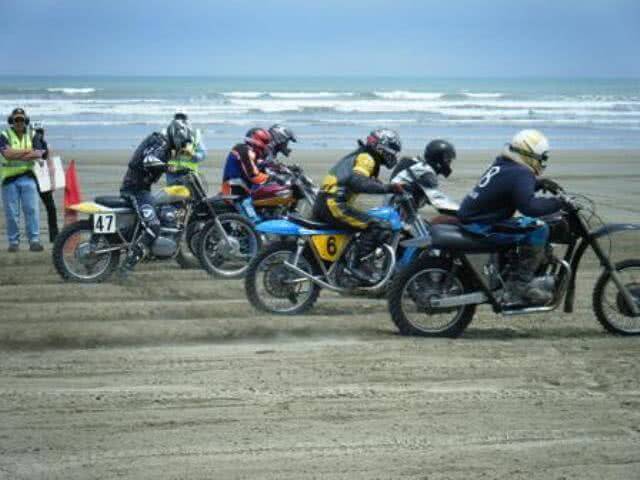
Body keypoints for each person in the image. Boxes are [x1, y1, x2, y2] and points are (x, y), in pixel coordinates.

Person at [457, 129, 564, 304]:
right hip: (483, 225)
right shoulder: (522, 172)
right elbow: (528, 206)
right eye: (542, 157)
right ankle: (519, 287)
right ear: (531, 154)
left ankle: (512, 271)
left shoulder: (504, 164)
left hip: (474, 219)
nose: (543, 162)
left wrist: (537, 184)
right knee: (539, 228)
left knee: (525, 226)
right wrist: (558, 204)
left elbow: (510, 187)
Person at [312, 129, 404, 283]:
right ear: (382, 146)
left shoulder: (361, 155)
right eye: (393, 149)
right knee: (377, 226)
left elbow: (363, 180)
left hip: (326, 202)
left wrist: (383, 186)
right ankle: (358, 265)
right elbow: (358, 181)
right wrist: (388, 188)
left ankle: (347, 263)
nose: (394, 154)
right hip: (334, 204)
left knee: (362, 224)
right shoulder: (367, 158)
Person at [118, 117, 195, 277]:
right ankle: (127, 266)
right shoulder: (162, 143)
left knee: (154, 213)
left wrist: (180, 169)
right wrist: (169, 167)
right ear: (177, 136)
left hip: (140, 188)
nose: (181, 147)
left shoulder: (160, 141)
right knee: (153, 226)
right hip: (135, 190)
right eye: (181, 143)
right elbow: (149, 160)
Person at [0, 108, 45, 252]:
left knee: (32, 210)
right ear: (11, 121)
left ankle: (34, 241)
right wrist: (27, 151)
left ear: (25, 120)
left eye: (21, 119)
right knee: (12, 213)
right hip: (9, 179)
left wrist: (15, 153)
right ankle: (14, 243)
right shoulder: (4, 134)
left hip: (28, 177)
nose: (19, 122)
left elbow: (38, 153)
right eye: (16, 120)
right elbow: (7, 154)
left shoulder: (33, 134)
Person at [389, 139, 458, 214]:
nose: (449, 163)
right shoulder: (426, 173)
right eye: (448, 160)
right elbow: (438, 201)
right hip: (399, 213)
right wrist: (460, 211)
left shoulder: (414, 164)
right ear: (440, 160)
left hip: (391, 207)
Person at [221, 128, 272, 196]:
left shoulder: (251, 152)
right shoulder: (243, 150)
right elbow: (253, 176)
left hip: (244, 190)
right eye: (264, 142)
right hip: (233, 193)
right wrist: (271, 178)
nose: (265, 147)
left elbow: (260, 165)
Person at [32, 123, 59, 243]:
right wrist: (53, 182)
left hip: (38, 177)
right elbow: (50, 165)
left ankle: (53, 236)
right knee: (50, 208)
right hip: (39, 177)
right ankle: (53, 236)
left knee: (49, 208)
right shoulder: (45, 145)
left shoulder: (31, 143)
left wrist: (53, 182)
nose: (39, 134)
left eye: (39, 132)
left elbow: (50, 164)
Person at [165, 112, 206, 185]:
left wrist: (194, 155)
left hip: (190, 175)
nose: (180, 121)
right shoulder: (167, 135)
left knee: (193, 195)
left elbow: (203, 154)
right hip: (172, 176)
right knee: (173, 195)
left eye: (183, 118)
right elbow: (161, 155)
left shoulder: (194, 136)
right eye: (178, 118)